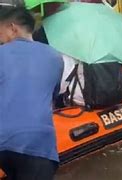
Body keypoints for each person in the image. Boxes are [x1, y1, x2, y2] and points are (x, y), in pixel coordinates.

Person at [0, 6, 63, 180]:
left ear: (13, 28)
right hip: (38, 143)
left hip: (3, 143)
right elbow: (53, 97)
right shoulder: (54, 56)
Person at [32, 2, 122, 109]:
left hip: (81, 99)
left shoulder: (58, 37)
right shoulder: (100, 31)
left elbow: (60, 83)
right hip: (113, 93)